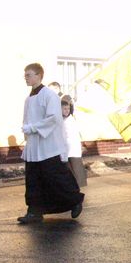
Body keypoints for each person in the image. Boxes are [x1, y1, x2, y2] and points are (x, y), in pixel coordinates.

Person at [18, 63, 83, 224]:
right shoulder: (28, 98)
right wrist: (27, 132)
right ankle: (34, 211)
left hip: (48, 146)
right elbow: (27, 119)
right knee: (33, 180)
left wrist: (33, 128)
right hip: (34, 146)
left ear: (39, 76)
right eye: (25, 75)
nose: (26, 78)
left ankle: (75, 200)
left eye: (28, 75)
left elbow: (53, 118)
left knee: (56, 177)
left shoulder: (49, 95)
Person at [61, 95, 87, 188]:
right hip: (65, 147)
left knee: (76, 166)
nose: (67, 111)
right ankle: (71, 184)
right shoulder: (61, 120)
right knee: (68, 166)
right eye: (64, 109)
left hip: (72, 146)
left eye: (68, 109)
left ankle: (80, 184)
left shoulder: (71, 119)